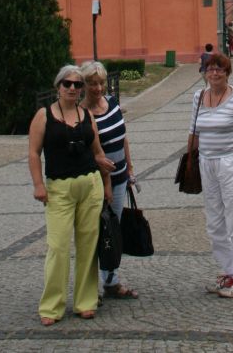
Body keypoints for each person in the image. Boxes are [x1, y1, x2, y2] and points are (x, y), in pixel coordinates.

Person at [28, 65, 114, 325]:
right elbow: (33, 153)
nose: (73, 88)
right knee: (58, 247)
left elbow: (97, 152)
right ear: (58, 86)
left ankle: (85, 301)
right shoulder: (44, 115)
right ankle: (52, 306)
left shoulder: (86, 115)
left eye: (78, 84)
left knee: (88, 246)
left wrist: (107, 182)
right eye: (68, 84)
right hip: (59, 188)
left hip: (89, 185)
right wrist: (38, 185)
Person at [188, 53, 233, 298]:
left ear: (228, 72)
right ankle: (228, 272)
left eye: (219, 69)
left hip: (232, 163)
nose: (214, 73)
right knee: (215, 221)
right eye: (210, 69)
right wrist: (189, 164)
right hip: (206, 163)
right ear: (204, 72)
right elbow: (194, 132)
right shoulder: (198, 97)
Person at [81, 60, 139, 300]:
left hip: (120, 178)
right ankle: (90, 289)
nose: (97, 88)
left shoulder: (112, 103)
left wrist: (130, 169)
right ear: (84, 85)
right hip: (98, 183)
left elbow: (123, 137)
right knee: (95, 233)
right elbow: (86, 151)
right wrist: (104, 179)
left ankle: (111, 281)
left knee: (112, 232)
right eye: (92, 83)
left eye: (101, 83)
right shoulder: (82, 114)